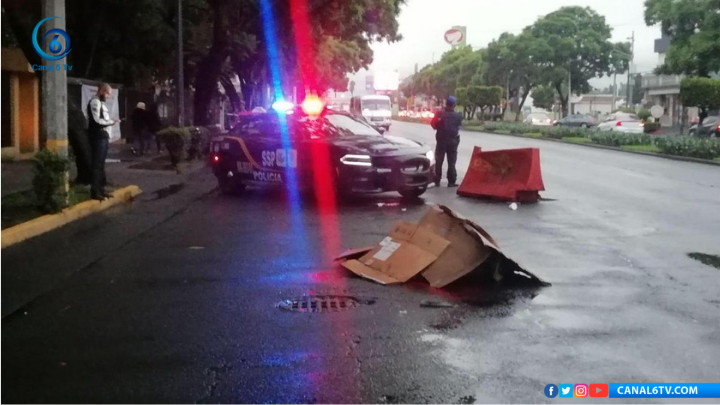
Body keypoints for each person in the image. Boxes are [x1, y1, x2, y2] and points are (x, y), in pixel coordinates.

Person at [87, 84, 120, 200]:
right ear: (101, 91)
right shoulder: (95, 102)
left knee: (101, 164)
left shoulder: (100, 103)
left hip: (103, 136)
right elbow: (96, 121)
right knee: (97, 164)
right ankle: (95, 191)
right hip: (97, 137)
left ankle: (101, 190)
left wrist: (111, 121)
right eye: (107, 94)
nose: (107, 97)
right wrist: (111, 122)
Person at [430, 96, 463, 187]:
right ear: (454, 105)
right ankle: (451, 181)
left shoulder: (440, 114)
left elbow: (433, 125)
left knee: (439, 160)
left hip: (441, 140)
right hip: (453, 141)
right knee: (452, 161)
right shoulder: (457, 116)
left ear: (446, 104)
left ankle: (437, 180)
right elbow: (459, 125)